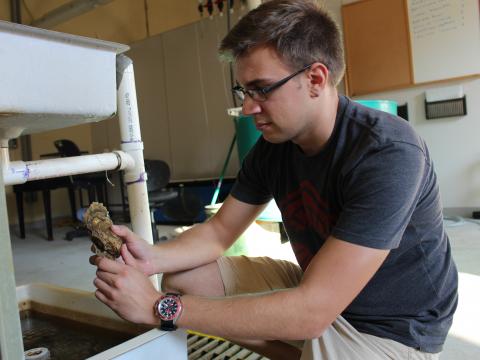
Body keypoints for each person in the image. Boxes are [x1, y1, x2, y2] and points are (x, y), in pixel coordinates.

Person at [91, 1, 458, 359]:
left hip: (394, 326)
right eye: (245, 91)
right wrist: (151, 259)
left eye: (262, 88)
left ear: (315, 78)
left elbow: (312, 311)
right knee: (185, 279)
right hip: (316, 286)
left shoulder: (387, 151)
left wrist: (160, 308)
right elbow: (219, 233)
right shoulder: (275, 145)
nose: (249, 107)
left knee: (305, 327)